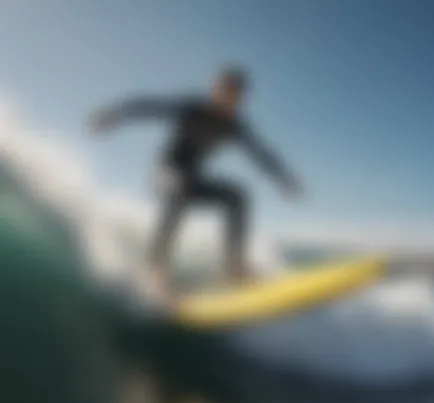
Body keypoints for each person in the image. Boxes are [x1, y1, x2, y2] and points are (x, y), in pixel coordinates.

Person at [88, 65, 302, 298]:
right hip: (165, 172)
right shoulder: (193, 109)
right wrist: (113, 114)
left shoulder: (234, 126)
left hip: (193, 180)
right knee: (179, 186)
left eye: (234, 94)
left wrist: (284, 179)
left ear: (240, 98)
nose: (228, 98)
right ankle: (155, 270)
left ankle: (234, 268)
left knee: (237, 196)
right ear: (215, 90)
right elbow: (150, 106)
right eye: (223, 90)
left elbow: (261, 153)